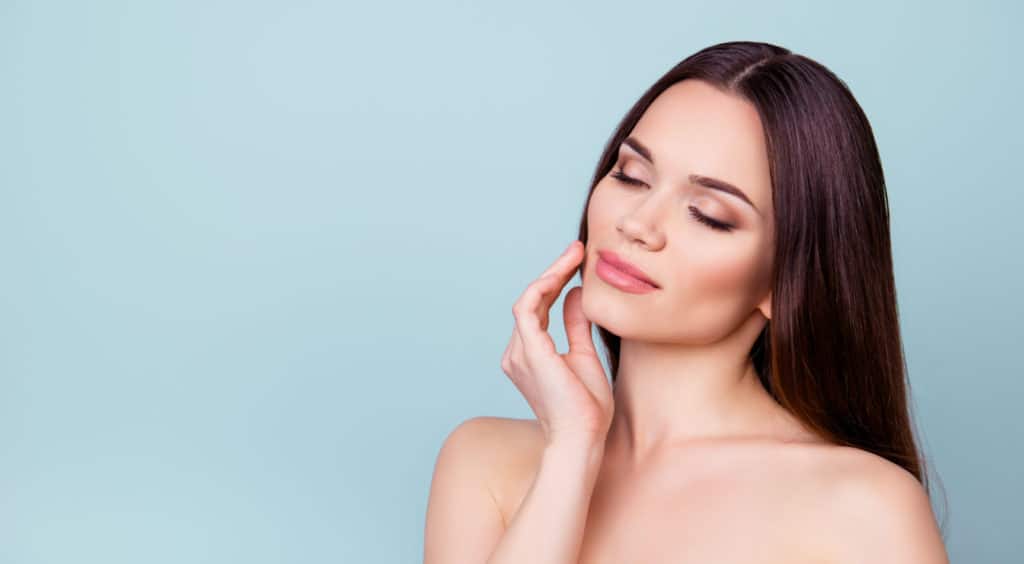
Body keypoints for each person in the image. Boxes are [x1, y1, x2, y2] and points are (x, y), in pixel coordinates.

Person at [423, 40, 949, 564]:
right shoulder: (482, 462)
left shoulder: (866, 510)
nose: (637, 224)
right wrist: (571, 452)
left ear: (786, 278)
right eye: (630, 175)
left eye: (709, 214)